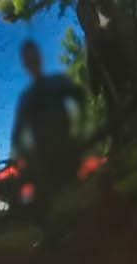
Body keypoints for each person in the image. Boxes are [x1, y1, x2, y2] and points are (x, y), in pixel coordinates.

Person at [11, 37, 84, 210]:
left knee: (79, 204)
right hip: (44, 166)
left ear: (40, 56)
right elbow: (18, 136)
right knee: (58, 210)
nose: (32, 61)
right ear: (25, 64)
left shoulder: (58, 82)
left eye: (34, 55)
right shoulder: (26, 98)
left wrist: (80, 134)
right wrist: (26, 164)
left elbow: (82, 99)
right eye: (28, 58)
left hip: (68, 154)